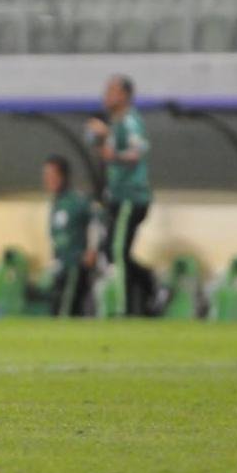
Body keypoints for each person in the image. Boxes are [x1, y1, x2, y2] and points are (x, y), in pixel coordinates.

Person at [85, 75, 162, 316]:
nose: (106, 95)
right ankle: (150, 284)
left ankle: (122, 309)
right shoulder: (115, 124)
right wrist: (99, 139)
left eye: (112, 90)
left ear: (125, 95)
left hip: (131, 197)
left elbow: (136, 153)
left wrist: (113, 152)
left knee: (116, 250)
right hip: (118, 196)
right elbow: (107, 152)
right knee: (113, 250)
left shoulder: (129, 121)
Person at [42, 155, 99, 317]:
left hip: (75, 263)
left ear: (63, 176)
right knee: (59, 308)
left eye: (52, 175)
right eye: (46, 175)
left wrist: (92, 249)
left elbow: (97, 222)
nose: (48, 179)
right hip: (61, 264)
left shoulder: (77, 201)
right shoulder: (56, 202)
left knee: (66, 310)